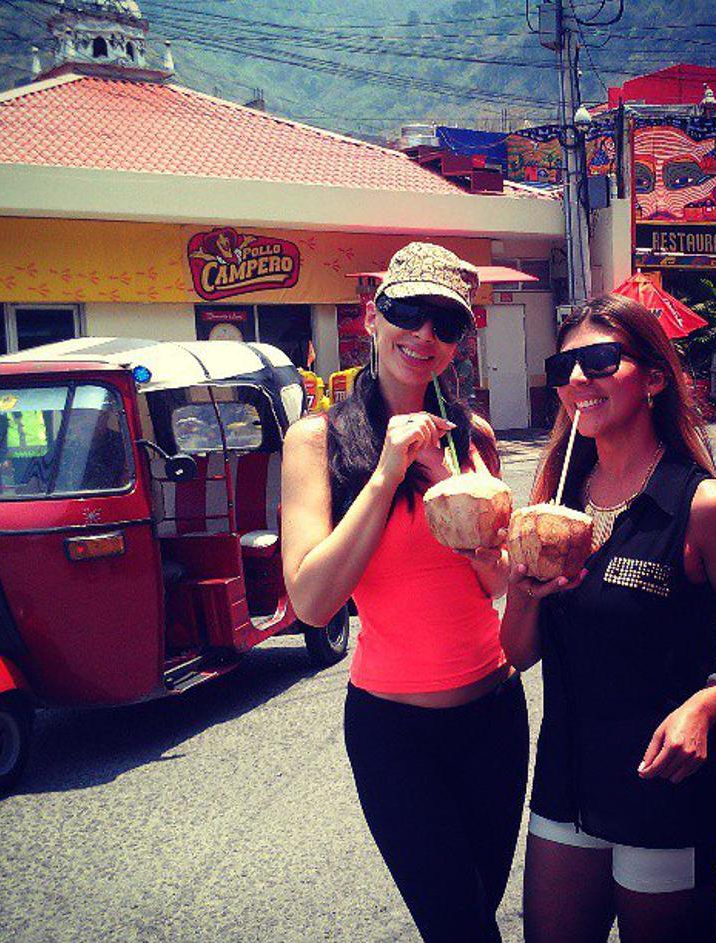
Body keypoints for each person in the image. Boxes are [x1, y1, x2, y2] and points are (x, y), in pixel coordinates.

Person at [502, 294, 716, 943]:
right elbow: (517, 654)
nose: (578, 378)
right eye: (564, 366)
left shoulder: (700, 505)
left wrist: (707, 705)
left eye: (601, 360)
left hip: (662, 786)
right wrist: (521, 593)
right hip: (565, 781)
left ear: (653, 378)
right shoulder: (554, 502)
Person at [281, 243, 530, 943]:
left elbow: (494, 583)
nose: (424, 334)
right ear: (372, 316)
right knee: (458, 928)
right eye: (407, 311)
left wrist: (492, 550)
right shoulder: (316, 441)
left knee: (478, 912)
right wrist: (388, 471)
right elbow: (311, 602)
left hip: (494, 717)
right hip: (393, 733)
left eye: (445, 323)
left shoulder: (472, 437)